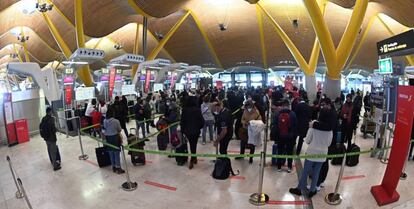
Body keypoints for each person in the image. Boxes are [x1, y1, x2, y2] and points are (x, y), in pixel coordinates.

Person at [289, 104, 333, 198]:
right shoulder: (330, 129)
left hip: (312, 152)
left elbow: (308, 140)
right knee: (316, 172)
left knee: (305, 171)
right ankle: (312, 190)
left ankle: (299, 189)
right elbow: (329, 143)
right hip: (323, 153)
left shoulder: (314, 125)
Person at [272, 99, 297, 173]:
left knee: (280, 151)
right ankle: (289, 167)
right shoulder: (293, 114)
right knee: (289, 152)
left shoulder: (277, 114)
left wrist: (275, 136)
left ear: (282, 106)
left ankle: (279, 167)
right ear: (288, 106)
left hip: (280, 136)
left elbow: (275, 126)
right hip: (290, 137)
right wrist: (294, 137)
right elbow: (295, 127)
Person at [181, 96, 205, 169]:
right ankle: (193, 158)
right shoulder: (197, 110)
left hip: (187, 131)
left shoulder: (184, 110)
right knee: (194, 144)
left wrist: (183, 131)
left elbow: (182, 121)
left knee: (191, 144)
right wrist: (199, 127)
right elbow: (202, 121)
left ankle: (193, 157)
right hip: (196, 131)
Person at [103, 107, 125, 174]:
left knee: (111, 152)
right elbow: (119, 129)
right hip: (115, 138)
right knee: (116, 152)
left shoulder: (104, 121)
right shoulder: (116, 121)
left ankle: (113, 167)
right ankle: (118, 167)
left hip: (108, 138)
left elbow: (104, 128)